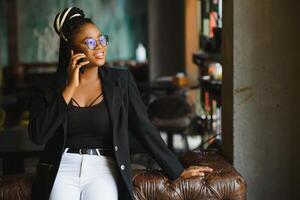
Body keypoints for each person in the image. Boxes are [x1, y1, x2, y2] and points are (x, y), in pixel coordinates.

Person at [28, 7, 213, 200]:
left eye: (101, 39)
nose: (99, 46)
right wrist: (69, 88)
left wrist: (176, 170)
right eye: (90, 42)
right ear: (73, 50)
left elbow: (144, 128)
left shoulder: (120, 81)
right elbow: (38, 135)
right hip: (62, 165)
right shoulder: (49, 86)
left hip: (103, 167)